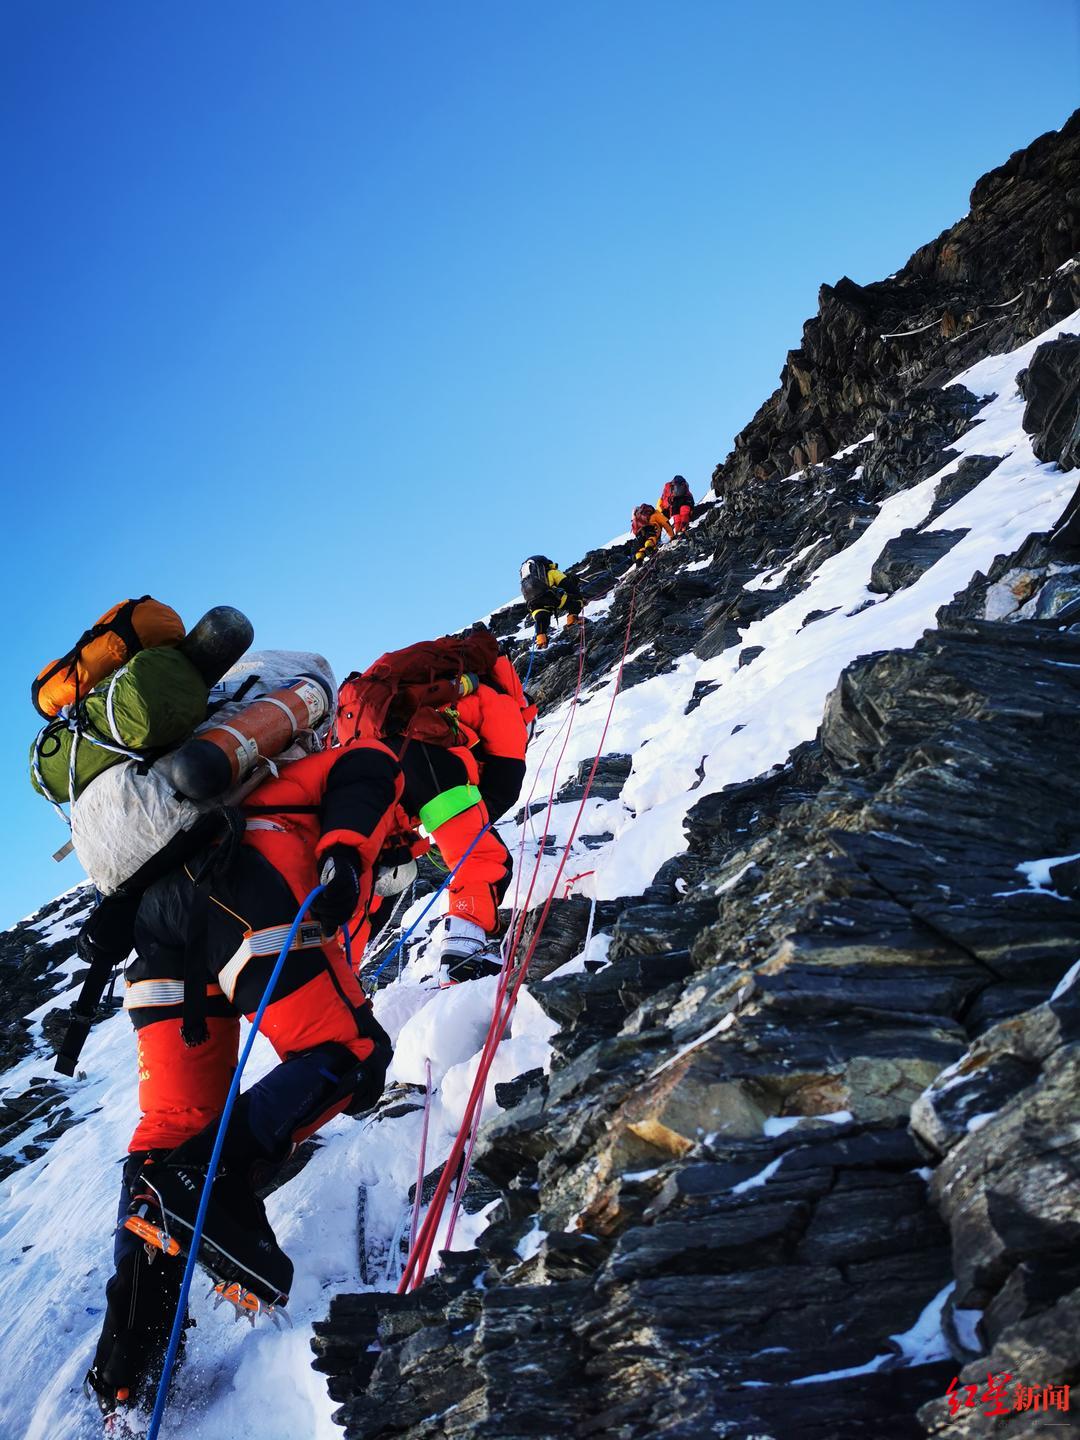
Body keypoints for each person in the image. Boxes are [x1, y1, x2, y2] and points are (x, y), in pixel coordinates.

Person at [85, 739, 400, 1425]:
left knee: (169, 1126)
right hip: (241, 886)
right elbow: (368, 766)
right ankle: (198, 1186)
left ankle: (126, 1364)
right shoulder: (298, 764)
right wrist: (345, 849)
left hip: (152, 927)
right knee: (351, 1049)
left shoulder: (185, 797)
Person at [333, 635, 529, 986]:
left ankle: (338, 977)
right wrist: (480, 811)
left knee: (371, 875)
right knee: (481, 854)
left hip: (368, 767)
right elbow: (506, 774)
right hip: (428, 765)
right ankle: (463, 956)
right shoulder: (492, 689)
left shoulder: (406, 691)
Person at [518, 556, 583, 650]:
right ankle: (572, 621)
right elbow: (567, 585)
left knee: (541, 618)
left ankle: (541, 641)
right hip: (549, 597)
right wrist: (579, 596)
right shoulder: (551, 571)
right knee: (576, 602)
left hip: (533, 603)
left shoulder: (526, 580)